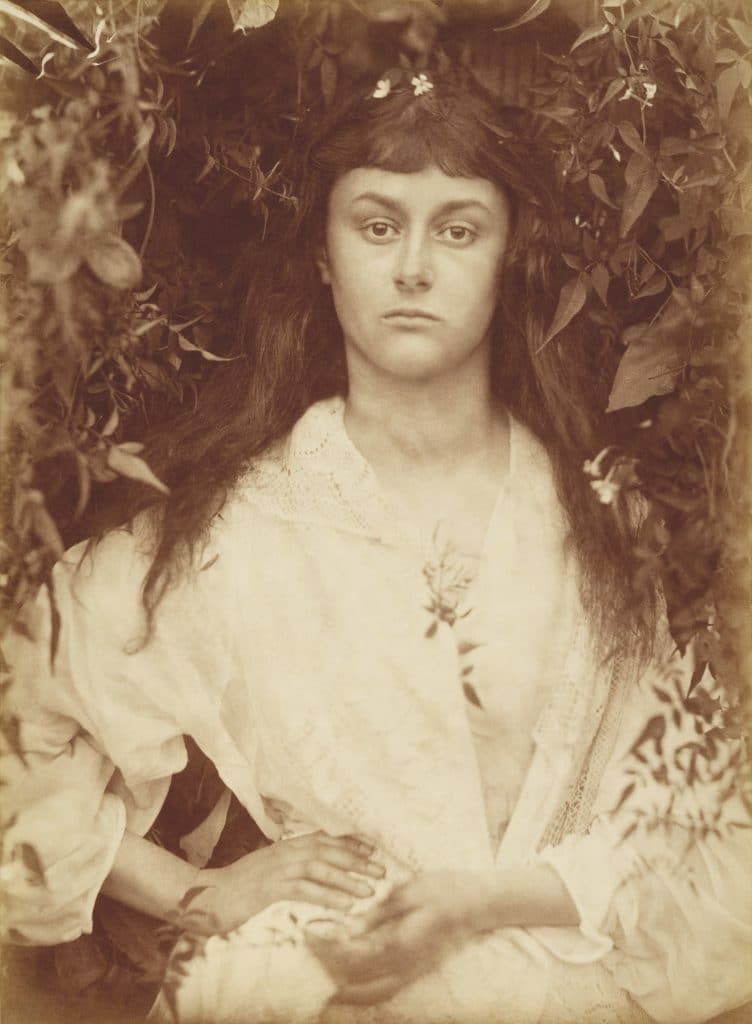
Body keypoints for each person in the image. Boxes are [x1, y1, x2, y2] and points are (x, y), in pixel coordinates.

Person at [1, 64, 750, 1024]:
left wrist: (493, 902)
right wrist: (197, 895)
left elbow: (704, 810)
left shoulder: (605, 515)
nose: (413, 270)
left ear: (509, 254)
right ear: (323, 255)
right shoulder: (235, 528)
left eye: (458, 229)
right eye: (378, 225)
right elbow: (25, 711)